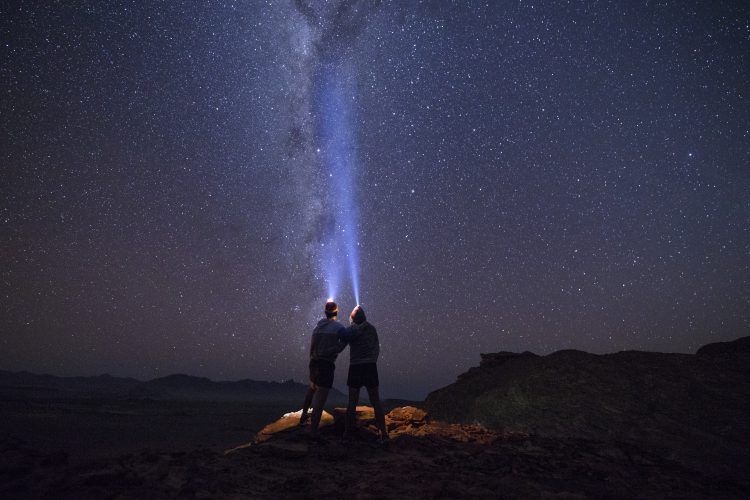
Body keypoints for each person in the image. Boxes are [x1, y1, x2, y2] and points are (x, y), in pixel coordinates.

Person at [339, 305, 388, 443]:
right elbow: (377, 347)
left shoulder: (351, 330)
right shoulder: (372, 329)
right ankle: (383, 433)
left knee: (352, 402)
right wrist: (372, 360)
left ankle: (347, 434)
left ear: (353, 318)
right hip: (370, 367)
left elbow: (341, 336)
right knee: (376, 401)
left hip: (355, 367)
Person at [299, 300, 346, 436]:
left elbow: (312, 347)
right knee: (321, 396)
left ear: (325, 312)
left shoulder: (317, 328)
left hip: (314, 362)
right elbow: (344, 341)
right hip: (326, 364)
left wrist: (313, 358)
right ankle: (313, 430)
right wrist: (334, 350)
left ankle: (303, 416)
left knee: (312, 389)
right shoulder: (339, 328)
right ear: (336, 312)